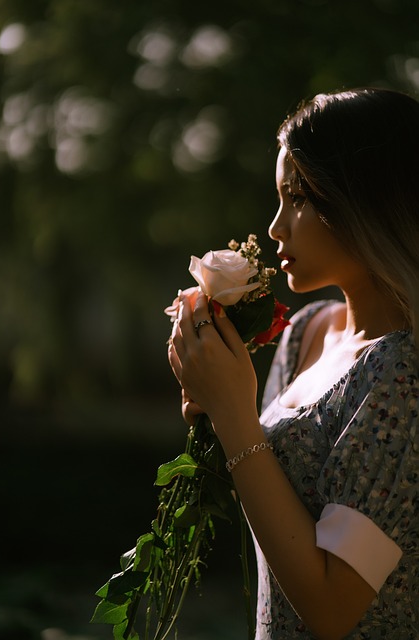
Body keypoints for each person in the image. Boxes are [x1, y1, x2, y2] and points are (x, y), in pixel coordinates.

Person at [167, 88, 419, 639]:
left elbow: (331, 609)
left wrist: (235, 415)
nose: (276, 227)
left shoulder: (405, 377)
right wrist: (211, 405)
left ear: (367, 197)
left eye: (298, 196)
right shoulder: (305, 333)